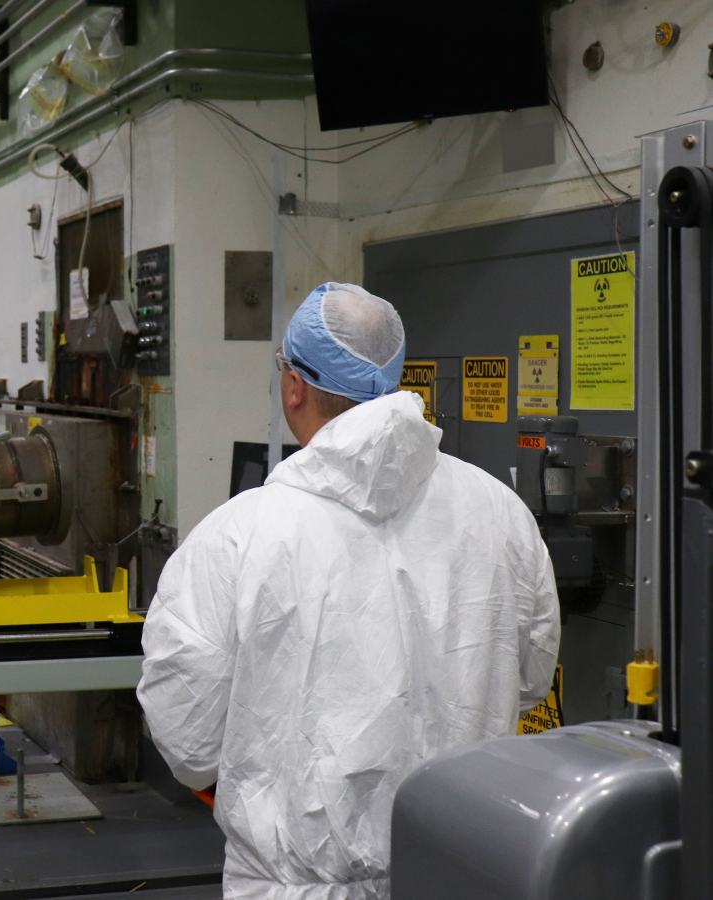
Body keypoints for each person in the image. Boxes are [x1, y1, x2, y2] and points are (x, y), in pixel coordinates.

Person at [137, 283, 561, 900]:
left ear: (294, 386)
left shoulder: (237, 536)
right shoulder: (502, 515)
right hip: (463, 872)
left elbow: (190, 742)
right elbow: (528, 682)